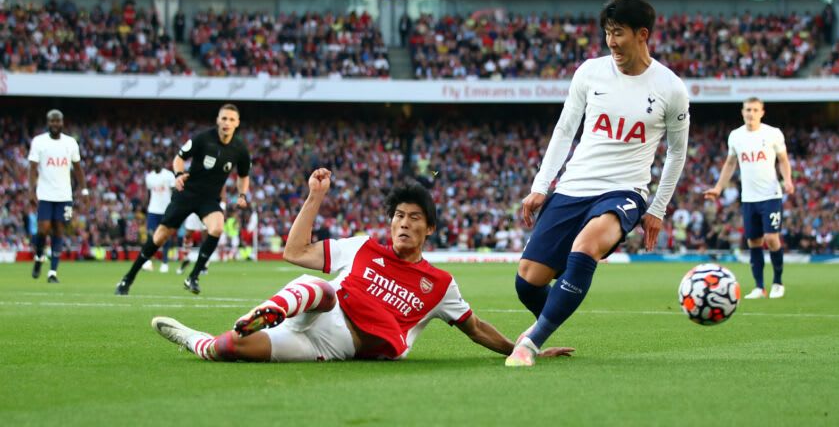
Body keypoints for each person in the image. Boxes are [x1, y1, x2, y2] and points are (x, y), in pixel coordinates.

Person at [151, 169, 573, 363]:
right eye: (398, 216)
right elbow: (295, 252)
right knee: (320, 288)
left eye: (413, 218)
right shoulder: (362, 247)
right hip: (319, 308)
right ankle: (252, 319)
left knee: (232, 349)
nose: (403, 224)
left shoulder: (440, 284)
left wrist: (526, 345)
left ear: (430, 229)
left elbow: (476, 328)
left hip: (335, 346)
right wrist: (314, 198)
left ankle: (222, 332)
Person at [506, 0, 690, 367]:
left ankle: (531, 343)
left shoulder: (671, 88)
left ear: (643, 34)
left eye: (619, 32)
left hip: (624, 192)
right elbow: (564, 130)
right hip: (574, 187)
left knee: (587, 246)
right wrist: (541, 186)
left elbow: (677, 152)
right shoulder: (590, 72)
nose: (611, 42)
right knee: (528, 281)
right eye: (607, 32)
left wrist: (656, 208)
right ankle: (547, 326)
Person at [116, 103, 251, 295]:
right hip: (187, 194)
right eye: (223, 118)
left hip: (209, 199)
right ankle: (127, 278)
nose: (226, 123)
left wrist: (242, 195)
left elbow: (243, 176)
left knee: (217, 227)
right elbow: (179, 158)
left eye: (231, 119)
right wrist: (178, 174)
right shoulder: (203, 138)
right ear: (217, 120)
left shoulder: (240, 149)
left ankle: (193, 277)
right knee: (160, 237)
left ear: (237, 123)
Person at [704, 97, 794, 299]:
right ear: (742, 111)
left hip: (771, 195)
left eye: (754, 110)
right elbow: (729, 164)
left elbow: (783, 159)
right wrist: (718, 188)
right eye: (747, 110)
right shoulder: (736, 136)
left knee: (771, 238)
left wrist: (787, 180)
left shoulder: (772, 134)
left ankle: (778, 282)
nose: (750, 113)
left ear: (761, 112)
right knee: (753, 241)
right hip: (749, 198)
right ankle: (759, 287)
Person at [27, 109, 89, 283]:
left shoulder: (70, 143)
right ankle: (39, 256)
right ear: (48, 123)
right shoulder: (39, 142)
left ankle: (52, 272)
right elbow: (32, 168)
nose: (55, 124)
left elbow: (78, 168)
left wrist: (84, 191)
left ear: (62, 122)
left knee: (59, 230)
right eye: (52, 121)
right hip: (45, 194)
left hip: (64, 195)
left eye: (58, 121)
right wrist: (30, 191)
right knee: (43, 229)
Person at [141, 154, 175, 273]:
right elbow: (149, 193)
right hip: (153, 210)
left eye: (157, 161)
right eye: (154, 161)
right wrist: (146, 206)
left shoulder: (169, 175)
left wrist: (174, 207)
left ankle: (165, 262)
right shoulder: (149, 177)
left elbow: (174, 192)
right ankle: (148, 261)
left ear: (162, 163)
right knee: (150, 235)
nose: (155, 163)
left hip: (166, 210)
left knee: (165, 236)